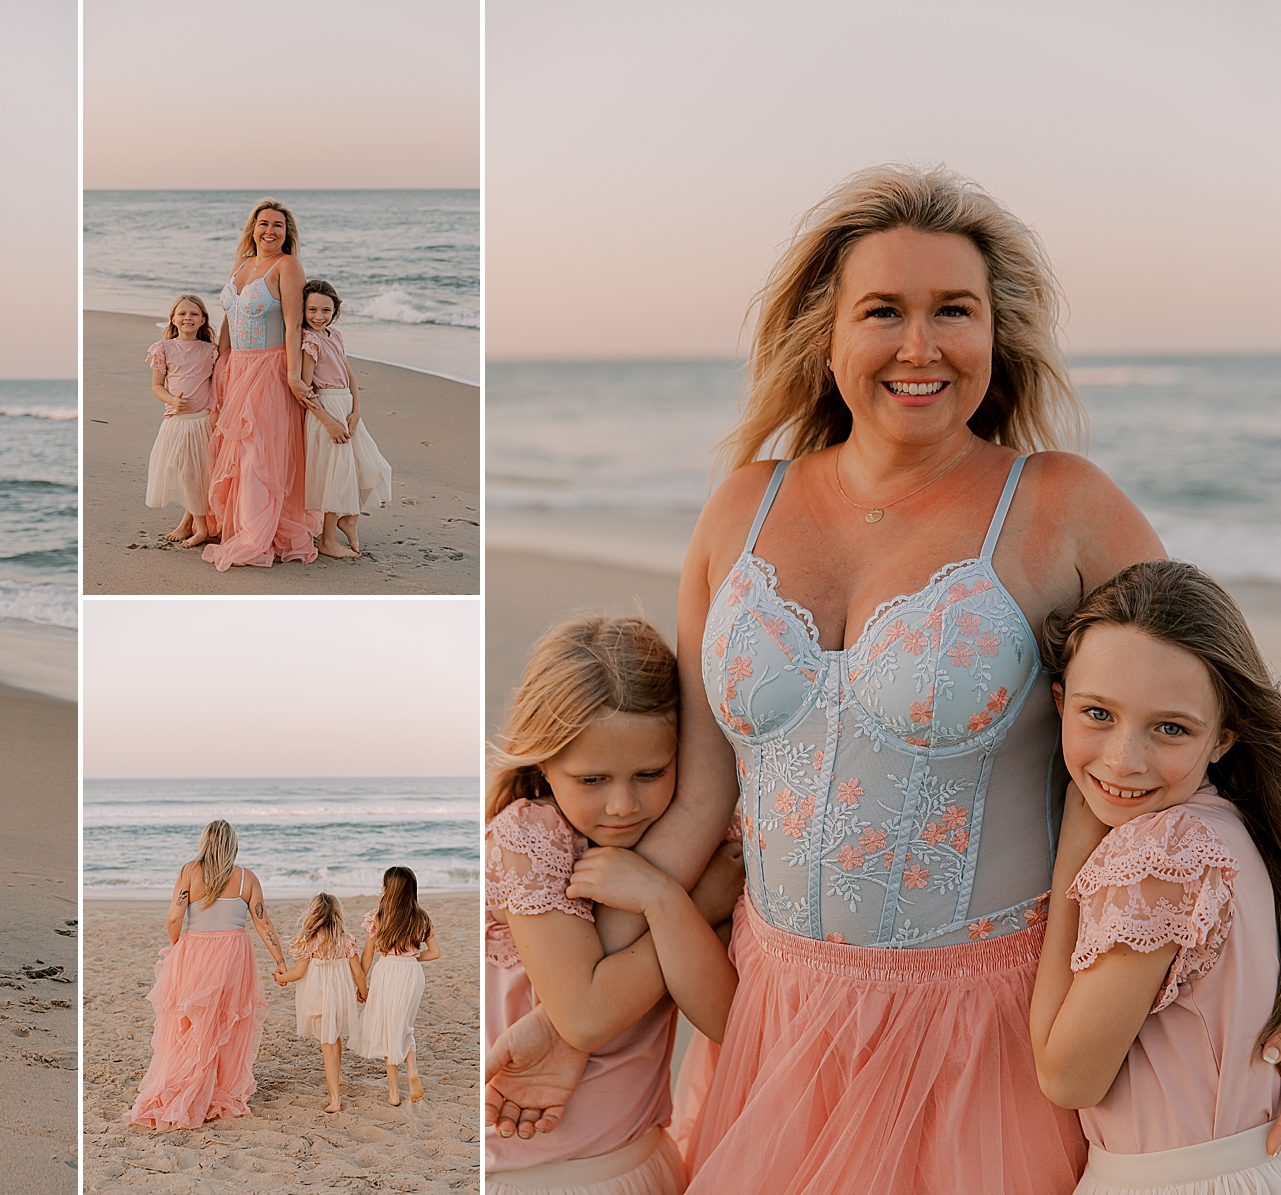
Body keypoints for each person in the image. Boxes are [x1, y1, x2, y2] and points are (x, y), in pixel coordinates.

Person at [489, 164, 1166, 1193]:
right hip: (769, 1019)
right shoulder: (739, 508)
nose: (919, 345)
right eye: (881, 311)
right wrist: (571, 1021)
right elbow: (704, 797)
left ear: (995, 331)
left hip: (977, 1035)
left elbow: (1198, 732)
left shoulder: (1064, 505)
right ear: (827, 331)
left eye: (953, 310)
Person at [1031, 561, 1281, 1194]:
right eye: (1098, 715)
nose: (1124, 759)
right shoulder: (1231, 826)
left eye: (1171, 728)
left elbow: (1069, 1077)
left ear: (1222, 738)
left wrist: (1072, 861)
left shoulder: (1159, 852)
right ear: (1061, 701)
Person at [486, 615, 743, 1194]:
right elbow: (584, 1012)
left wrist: (662, 901)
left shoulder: (700, 850)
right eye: (592, 779)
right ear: (543, 765)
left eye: (650, 773)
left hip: (641, 1162)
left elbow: (726, 1019)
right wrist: (690, 907)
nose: (623, 804)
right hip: (535, 1178)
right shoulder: (532, 838)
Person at [125, 819, 289, 1130]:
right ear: (232, 844)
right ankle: (216, 1090)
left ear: (205, 842)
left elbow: (174, 917)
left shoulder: (190, 872)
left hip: (196, 951)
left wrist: (177, 946)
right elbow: (263, 924)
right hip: (234, 955)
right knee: (227, 1022)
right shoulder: (246, 879)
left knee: (190, 1022)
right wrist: (280, 961)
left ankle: (192, 1086)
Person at [202, 198, 320, 571]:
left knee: (259, 452)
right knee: (232, 449)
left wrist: (292, 374)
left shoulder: (288, 266)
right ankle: (238, 523)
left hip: (269, 368)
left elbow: (292, 325)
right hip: (236, 366)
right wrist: (221, 361)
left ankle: (256, 533)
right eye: (264, 223)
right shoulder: (241, 264)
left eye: (278, 226)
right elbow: (228, 316)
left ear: (287, 233)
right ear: (253, 228)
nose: (270, 231)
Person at [298, 279, 392, 558]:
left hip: (347, 408)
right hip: (326, 410)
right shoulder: (309, 341)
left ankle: (348, 519)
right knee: (335, 474)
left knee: (371, 468)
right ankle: (327, 540)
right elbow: (305, 390)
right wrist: (328, 421)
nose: (318, 316)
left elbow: (349, 374)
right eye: (312, 309)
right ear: (302, 310)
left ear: (335, 311)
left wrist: (357, 410)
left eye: (325, 310)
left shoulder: (334, 335)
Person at [273, 892, 368, 1113]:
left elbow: (297, 972)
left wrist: (280, 978)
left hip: (318, 999)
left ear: (314, 914)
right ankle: (339, 1074)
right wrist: (363, 991)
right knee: (335, 1038)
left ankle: (335, 1099)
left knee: (327, 1046)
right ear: (337, 914)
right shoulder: (345, 939)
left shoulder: (309, 940)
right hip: (340, 998)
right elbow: (358, 974)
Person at [357, 866, 441, 1106]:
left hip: (386, 971)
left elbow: (367, 955)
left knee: (388, 1028)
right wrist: (412, 957)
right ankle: (412, 1069)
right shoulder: (420, 917)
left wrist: (361, 983)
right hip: (411, 973)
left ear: (387, 889)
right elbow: (435, 953)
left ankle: (394, 1094)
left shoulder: (377, 917)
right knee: (405, 1025)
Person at [145, 294, 219, 547]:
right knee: (187, 473)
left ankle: (197, 527)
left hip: (203, 421)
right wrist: (172, 400)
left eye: (194, 314)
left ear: (203, 319)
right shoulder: (163, 348)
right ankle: (196, 525)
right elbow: (157, 386)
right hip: (178, 421)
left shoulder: (210, 350)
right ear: (173, 319)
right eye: (183, 313)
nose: (188, 318)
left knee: (198, 474)